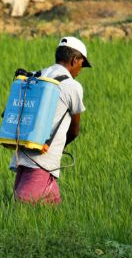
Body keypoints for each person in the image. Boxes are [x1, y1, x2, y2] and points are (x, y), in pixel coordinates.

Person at [9, 36, 90, 205]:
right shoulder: (72, 86)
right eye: (82, 64)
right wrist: (59, 148)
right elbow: (75, 130)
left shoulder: (37, 75)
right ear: (75, 60)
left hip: (23, 150)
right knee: (23, 205)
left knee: (51, 205)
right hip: (43, 159)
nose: (80, 70)